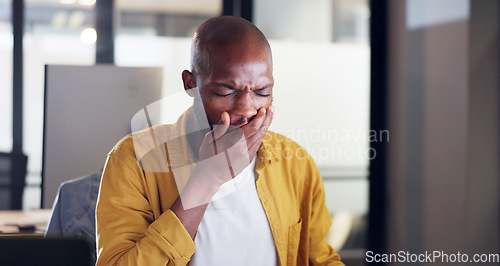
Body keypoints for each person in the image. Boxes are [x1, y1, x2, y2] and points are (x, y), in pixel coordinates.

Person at [96, 16, 344, 265]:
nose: (247, 109)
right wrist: (207, 179)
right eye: (226, 91)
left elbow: (320, 259)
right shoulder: (134, 158)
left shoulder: (294, 162)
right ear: (190, 84)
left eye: (262, 92)